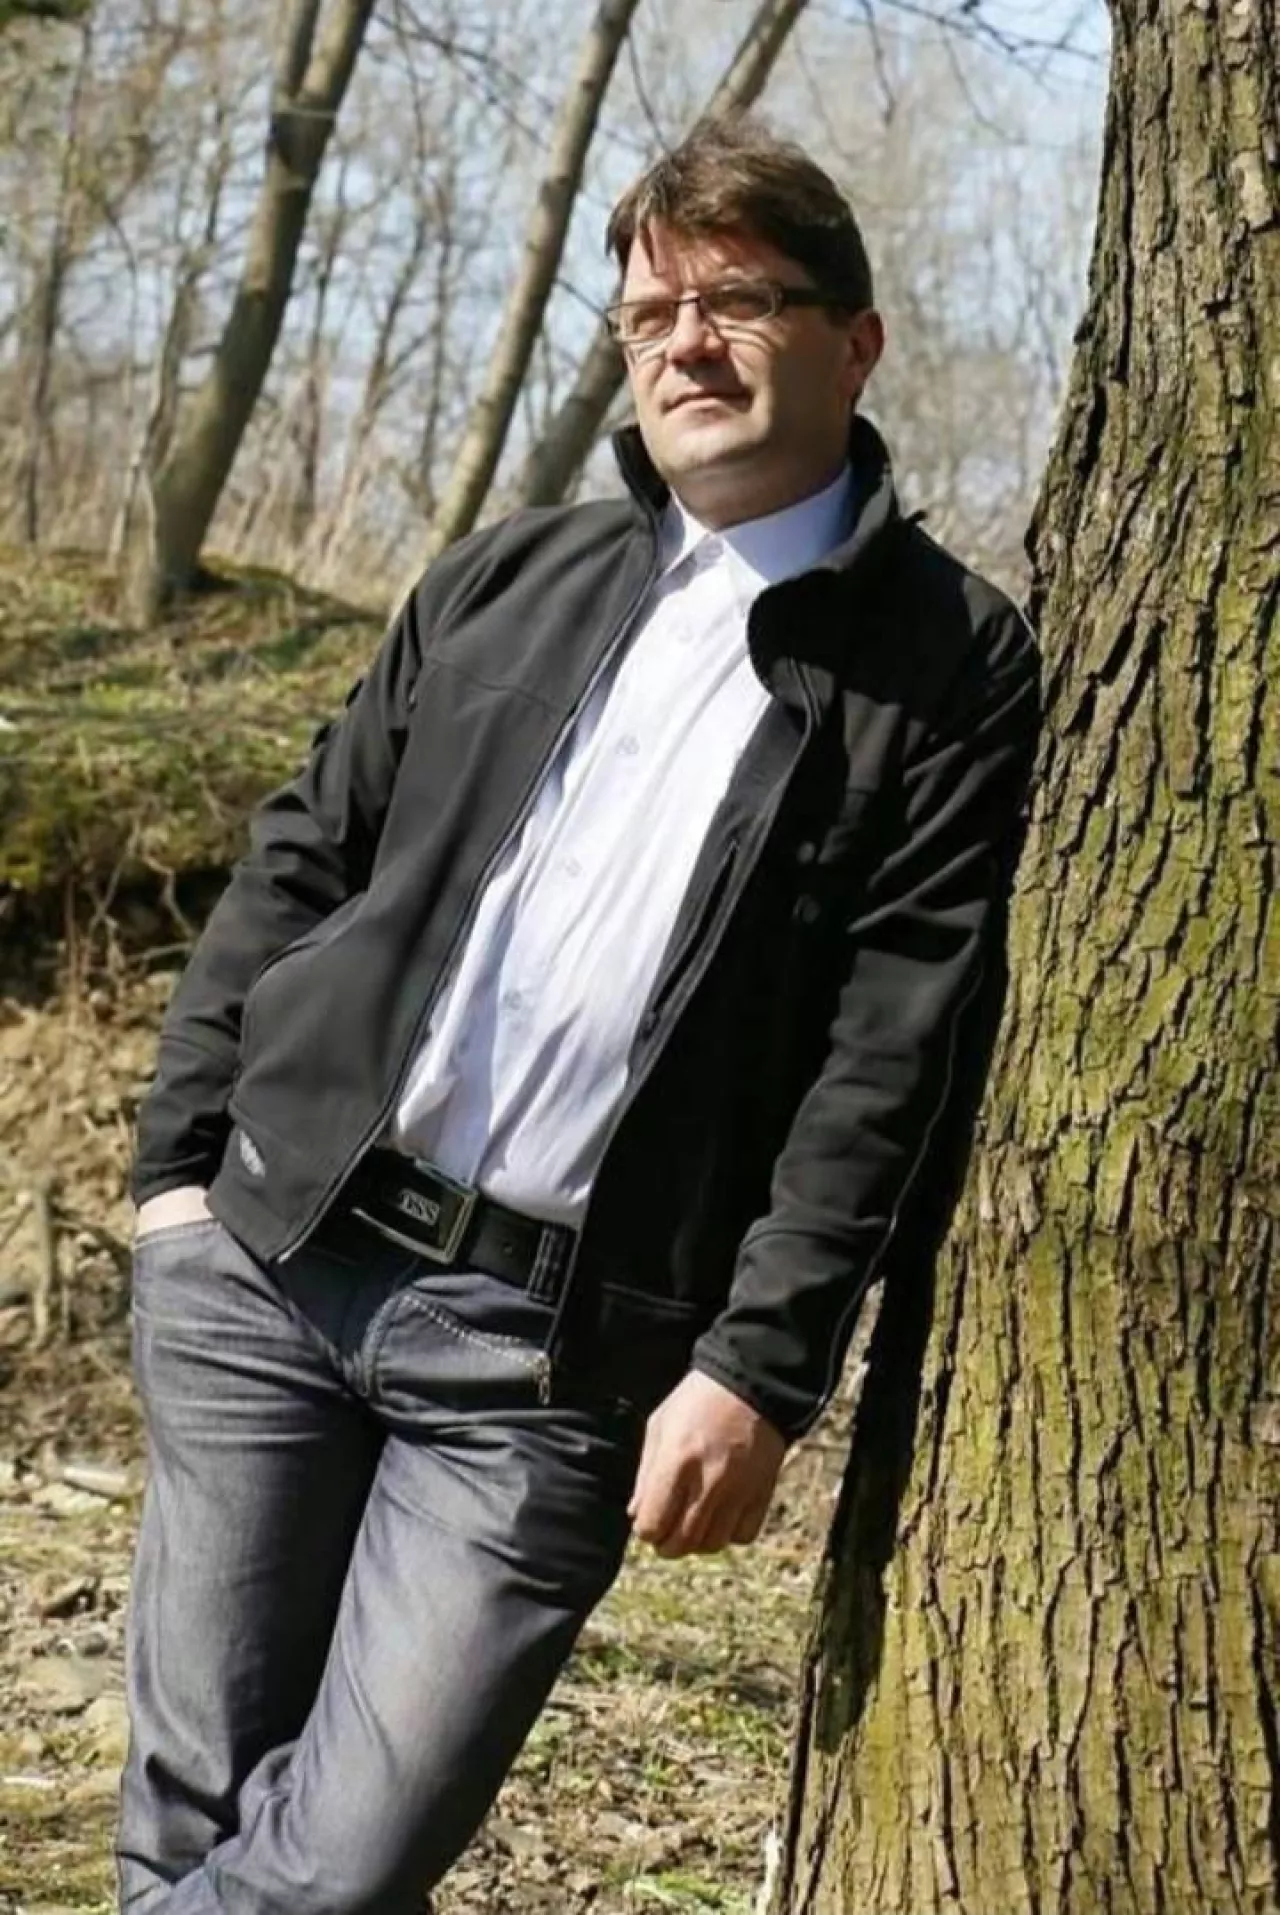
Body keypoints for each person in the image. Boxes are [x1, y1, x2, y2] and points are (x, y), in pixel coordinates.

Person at [118, 116, 1040, 1914]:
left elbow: (888, 1048)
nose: (686, 345)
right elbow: (304, 857)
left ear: (855, 342)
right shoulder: (507, 576)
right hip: (275, 1253)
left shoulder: (945, 658)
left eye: (736, 301)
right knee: (190, 1815)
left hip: (545, 1357)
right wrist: (176, 1178)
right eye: (648, 314)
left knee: (337, 1868)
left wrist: (760, 1365)